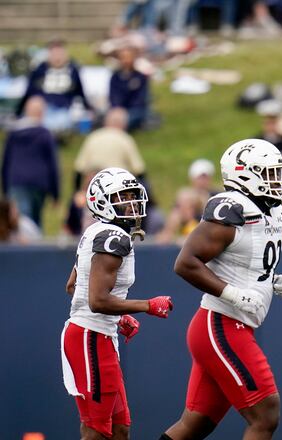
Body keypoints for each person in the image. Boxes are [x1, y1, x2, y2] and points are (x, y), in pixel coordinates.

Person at [161, 139, 282, 440]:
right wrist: (231, 293)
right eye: (269, 173)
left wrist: (270, 280)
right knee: (266, 413)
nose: (278, 181)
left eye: (279, 173)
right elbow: (186, 263)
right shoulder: (232, 210)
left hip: (230, 326)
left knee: (194, 425)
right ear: (244, 174)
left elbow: (244, 262)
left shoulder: (272, 211)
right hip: (221, 324)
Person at [60, 167, 173, 440]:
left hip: (96, 334)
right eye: (123, 197)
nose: (132, 204)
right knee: (97, 431)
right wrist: (146, 305)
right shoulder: (113, 237)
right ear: (101, 201)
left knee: (119, 428)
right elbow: (97, 300)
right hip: (91, 337)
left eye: (134, 196)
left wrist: (118, 316)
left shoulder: (97, 231)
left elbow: (74, 286)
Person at [1, 95, 60, 226]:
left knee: (20, 221)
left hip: (15, 181)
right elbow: (53, 165)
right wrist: (56, 194)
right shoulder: (44, 134)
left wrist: (5, 188)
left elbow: (6, 162)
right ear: (41, 113)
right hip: (39, 183)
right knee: (34, 220)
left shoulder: (14, 134)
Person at [16, 39, 92, 133]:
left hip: (63, 108)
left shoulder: (73, 70)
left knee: (63, 120)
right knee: (35, 105)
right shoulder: (39, 70)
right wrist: (18, 113)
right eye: (54, 54)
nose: (57, 58)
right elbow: (29, 92)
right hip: (42, 107)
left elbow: (80, 92)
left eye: (60, 54)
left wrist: (89, 109)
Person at [73, 108, 146, 189]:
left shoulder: (93, 137)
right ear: (124, 124)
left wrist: (77, 192)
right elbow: (139, 170)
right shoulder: (125, 138)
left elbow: (79, 169)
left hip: (95, 184)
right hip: (119, 185)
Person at [109, 46, 149, 131]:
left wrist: (125, 112)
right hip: (118, 110)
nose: (126, 60)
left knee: (125, 120)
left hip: (135, 109)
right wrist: (117, 108)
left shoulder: (140, 77)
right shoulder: (115, 77)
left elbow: (140, 99)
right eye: (123, 58)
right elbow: (113, 96)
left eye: (128, 57)